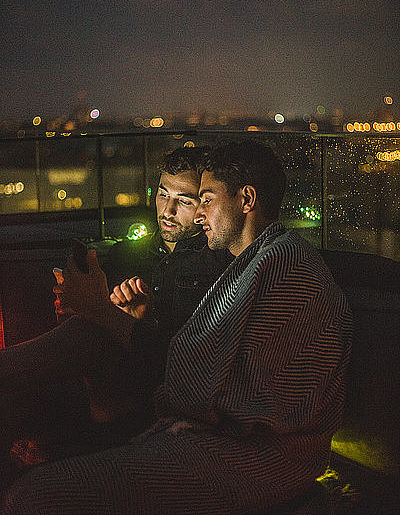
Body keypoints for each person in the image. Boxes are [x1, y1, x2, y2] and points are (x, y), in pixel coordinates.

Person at [1, 139, 352, 515]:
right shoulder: (253, 263)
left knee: (34, 496)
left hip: (257, 457)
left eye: (204, 200)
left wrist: (110, 318)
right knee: (86, 342)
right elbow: (203, 371)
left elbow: (217, 393)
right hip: (211, 431)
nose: (198, 215)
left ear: (246, 199)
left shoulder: (281, 271)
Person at [0, 147, 231, 481]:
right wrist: (73, 308)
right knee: (78, 335)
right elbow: (94, 319)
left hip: (163, 389)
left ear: (203, 208)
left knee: (84, 337)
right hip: (103, 380)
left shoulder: (214, 262)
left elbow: (186, 355)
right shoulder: (130, 252)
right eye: (163, 194)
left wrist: (123, 318)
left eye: (185, 200)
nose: (167, 210)